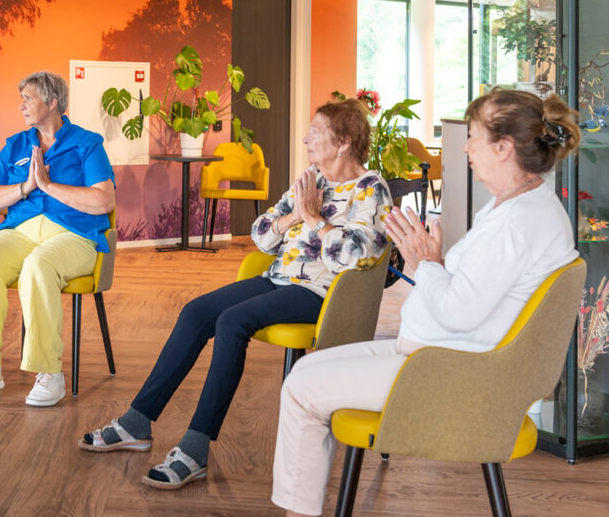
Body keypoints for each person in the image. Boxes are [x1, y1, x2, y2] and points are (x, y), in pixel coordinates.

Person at [272, 89, 581, 517]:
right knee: (305, 370)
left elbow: (457, 310)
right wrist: (429, 263)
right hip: (443, 357)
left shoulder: (517, 223)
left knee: (302, 389)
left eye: (472, 135)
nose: (465, 146)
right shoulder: (520, 207)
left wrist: (425, 262)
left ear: (504, 147)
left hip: (451, 375)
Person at [80, 97, 392, 490]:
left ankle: (195, 449)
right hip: (278, 278)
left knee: (232, 321)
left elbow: (356, 257)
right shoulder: (312, 178)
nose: (304, 139)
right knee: (195, 312)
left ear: (343, 142)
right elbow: (262, 235)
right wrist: (295, 214)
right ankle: (136, 422)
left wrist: (312, 218)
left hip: (323, 293)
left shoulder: (370, 190)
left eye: (314, 133)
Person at [0, 71, 115, 406]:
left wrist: (47, 186)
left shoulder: (87, 144)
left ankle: (49, 373)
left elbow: (104, 201)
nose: (21, 106)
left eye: (28, 98)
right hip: (21, 233)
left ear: (52, 102)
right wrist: (25, 187)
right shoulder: (16, 145)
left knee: (38, 266)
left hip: (74, 236)